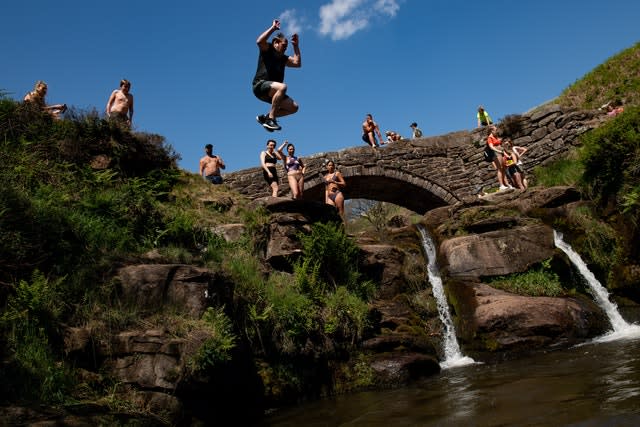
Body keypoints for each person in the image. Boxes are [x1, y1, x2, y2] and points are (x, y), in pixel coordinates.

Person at [253, 19, 301, 132]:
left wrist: (295, 46)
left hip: (271, 93)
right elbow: (259, 42)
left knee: (294, 107)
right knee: (283, 87)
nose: (285, 48)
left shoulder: (283, 59)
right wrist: (273, 28)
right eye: (283, 45)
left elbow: (297, 63)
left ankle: (265, 118)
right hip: (260, 86)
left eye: (286, 47)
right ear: (275, 43)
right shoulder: (268, 49)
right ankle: (271, 118)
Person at [486, 125, 511, 190]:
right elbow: (491, 147)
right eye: (495, 130)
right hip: (496, 154)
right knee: (499, 169)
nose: (497, 131)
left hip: (501, 153)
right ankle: (501, 185)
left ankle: (506, 184)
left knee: (503, 169)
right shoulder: (490, 138)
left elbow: (500, 145)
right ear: (491, 131)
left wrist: (504, 152)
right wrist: (499, 151)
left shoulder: (495, 137)